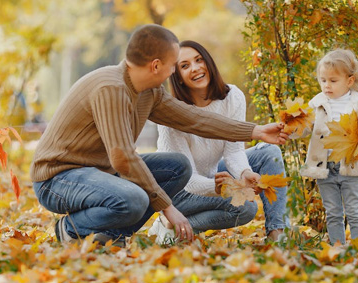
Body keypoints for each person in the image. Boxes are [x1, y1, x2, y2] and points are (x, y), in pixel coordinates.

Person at [30, 24, 289, 247]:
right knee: (134, 198)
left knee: (177, 167)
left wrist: (255, 131)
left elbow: (195, 119)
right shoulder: (110, 88)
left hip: (99, 174)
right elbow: (123, 158)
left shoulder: (150, 92)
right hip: (58, 179)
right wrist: (168, 208)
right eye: (174, 65)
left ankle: (111, 235)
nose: (175, 72)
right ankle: (71, 229)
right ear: (156, 65)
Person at [149, 40, 289, 244]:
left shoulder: (232, 97)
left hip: (212, 175)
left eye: (199, 60)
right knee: (246, 208)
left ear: (208, 62)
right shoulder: (172, 115)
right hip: (178, 192)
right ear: (177, 77)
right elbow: (188, 180)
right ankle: (172, 226)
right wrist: (223, 187)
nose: (196, 68)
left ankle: (278, 233)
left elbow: (233, 151)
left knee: (269, 152)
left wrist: (245, 173)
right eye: (185, 66)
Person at [299, 49, 358, 245]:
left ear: (349, 81)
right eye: (323, 80)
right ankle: (337, 249)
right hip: (326, 168)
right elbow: (305, 128)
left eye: (333, 80)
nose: (326, 85)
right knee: (333, 212)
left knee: (354, 211)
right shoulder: (317, 103)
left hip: (351, 167)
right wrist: (291, 129)